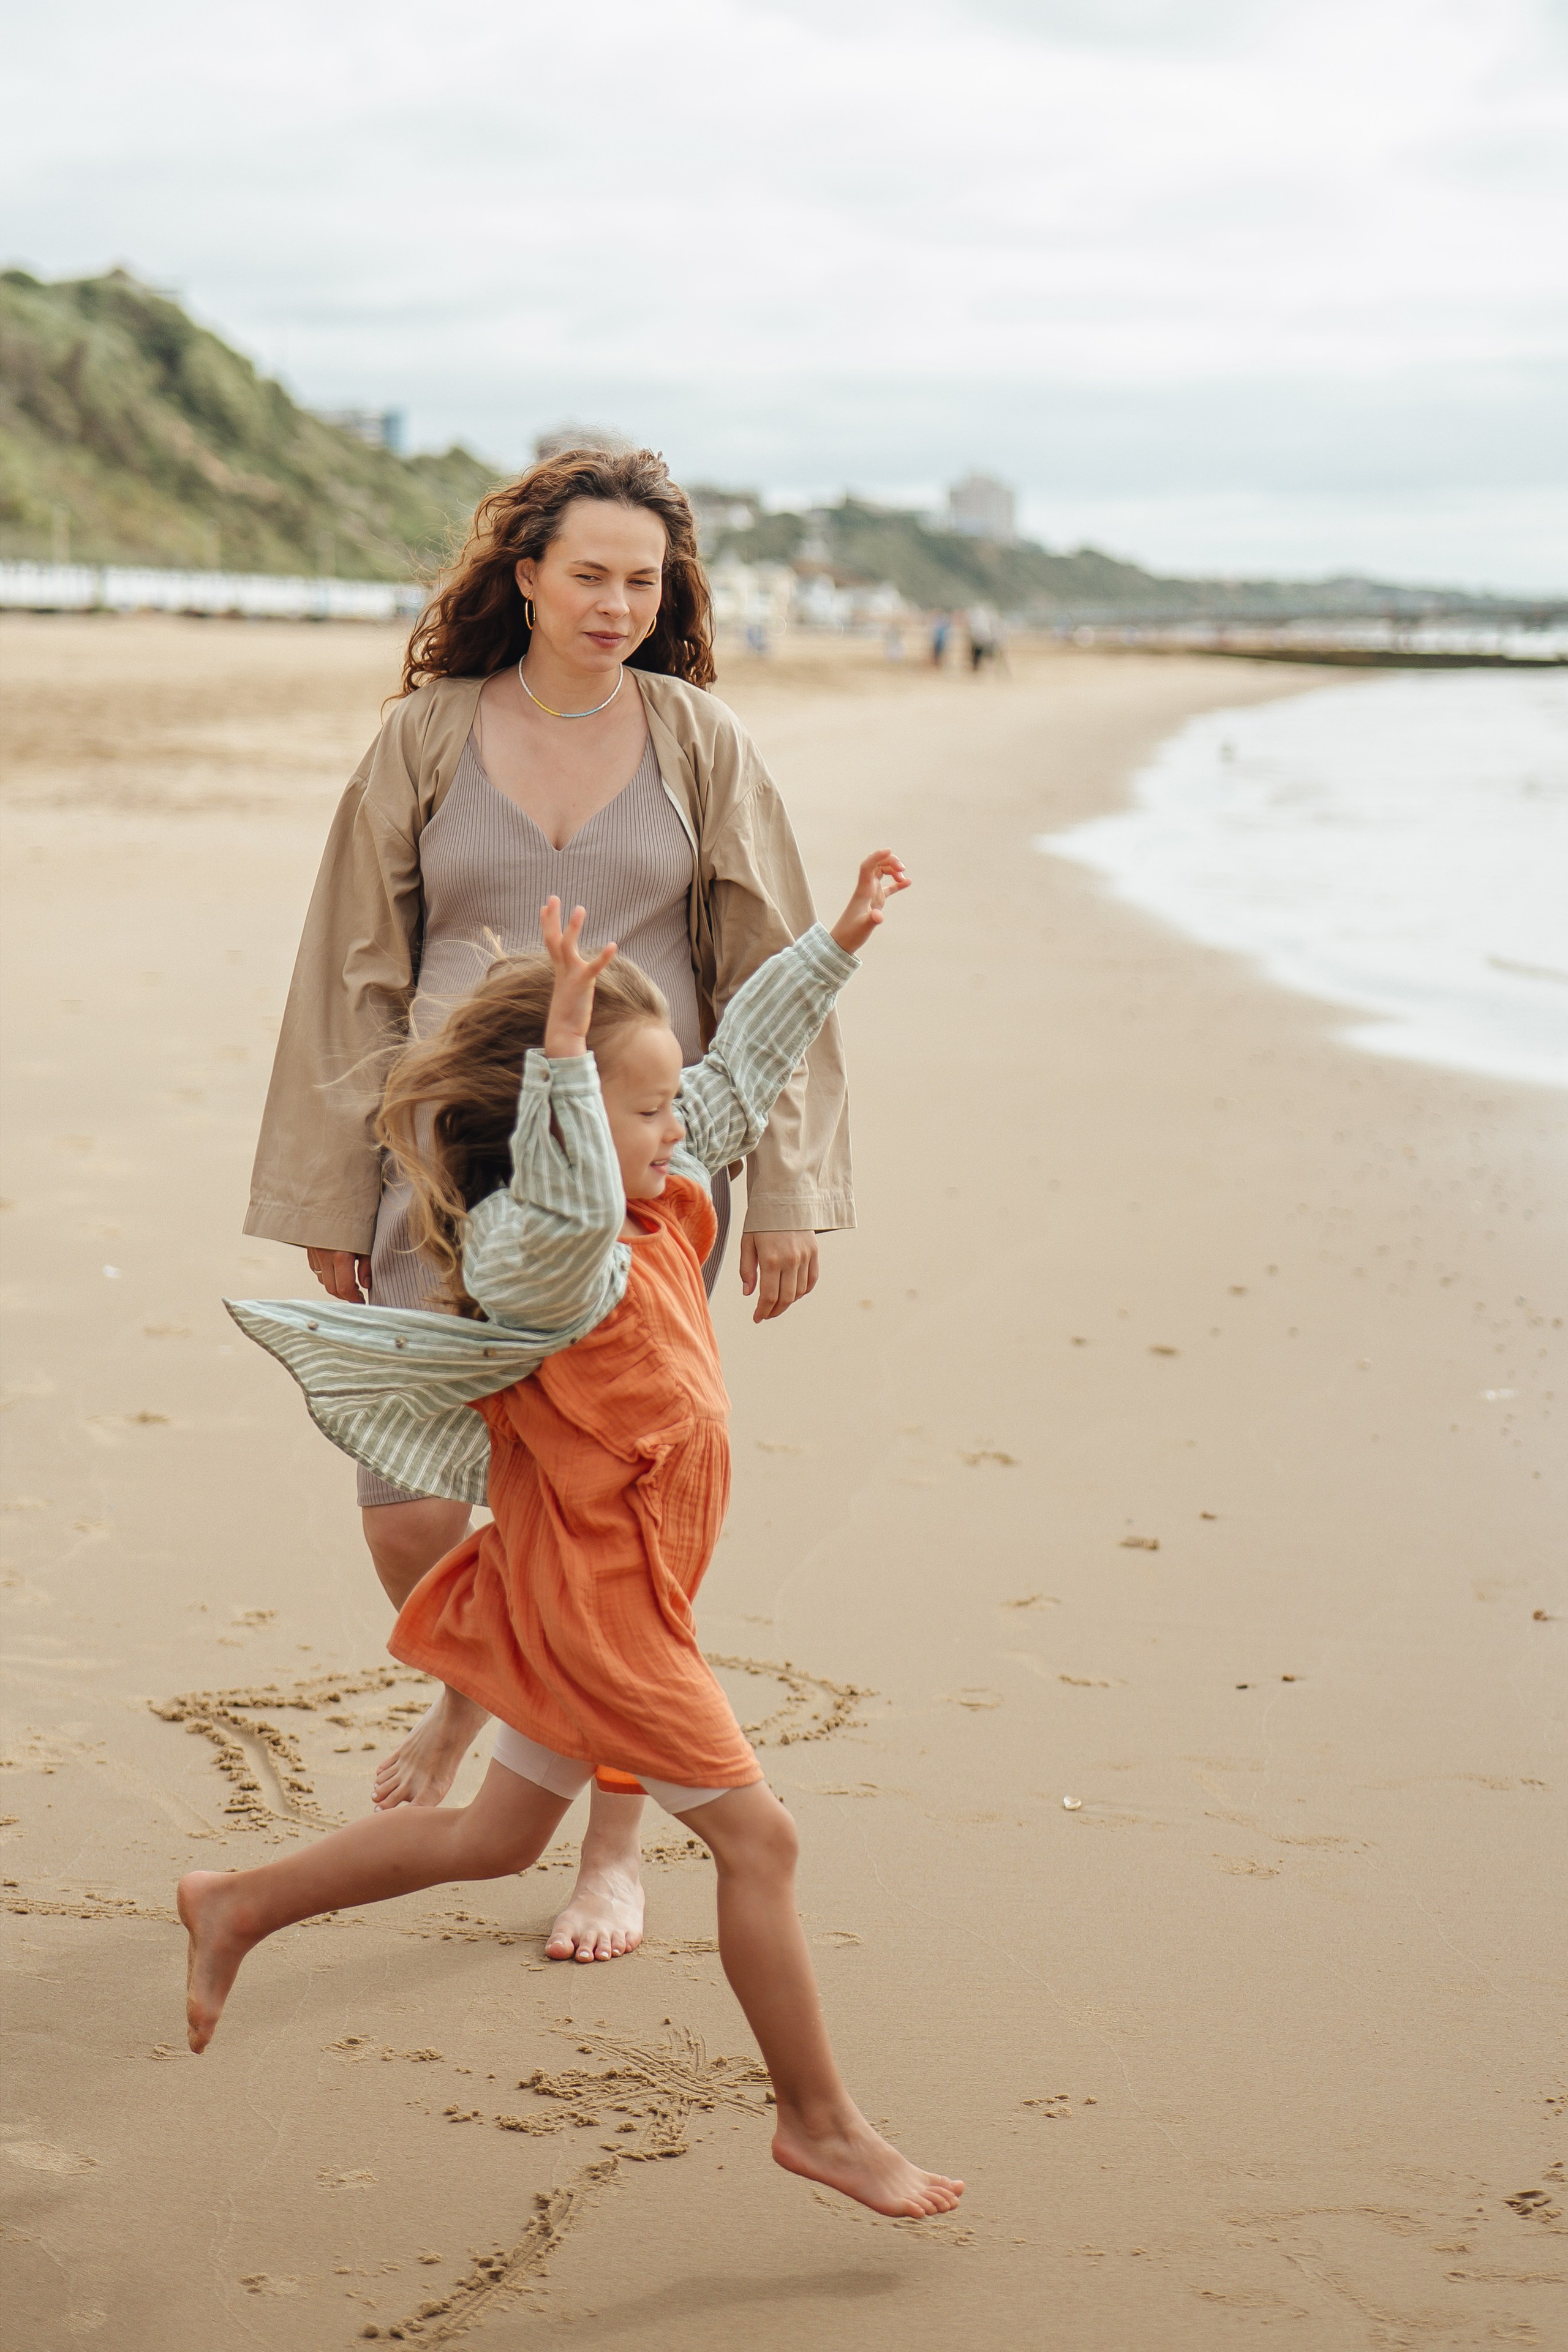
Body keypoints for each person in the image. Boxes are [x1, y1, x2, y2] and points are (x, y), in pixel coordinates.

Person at [183, 856, 963, 2223]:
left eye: (668, 1103)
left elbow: (734, 1074)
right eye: (645, 1109)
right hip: (605, 1611)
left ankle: (237, 1902)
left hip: (614, 1582)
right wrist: (557, 1060)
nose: (677, 1124)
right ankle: (819, 2122)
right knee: (761, 1844)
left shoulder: (663, 1190)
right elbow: (564, 1201)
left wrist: (832, 946)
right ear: (568, 1128)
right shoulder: (548, 1258)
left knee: (496, 1839)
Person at [242, 448, 853, 1961]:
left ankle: (610, 1851)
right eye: (588, 574)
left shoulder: (698, 739)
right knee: (409, 1509)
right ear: (523, 575)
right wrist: (330, 1182)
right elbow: (351, 969)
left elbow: (765, 961)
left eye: (644, 581)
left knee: (614, 1520)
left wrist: (783, 1183)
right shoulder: (425, 738)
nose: (616, 604)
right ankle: (485, 1687)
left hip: (644, 1181)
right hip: (446, 1169)